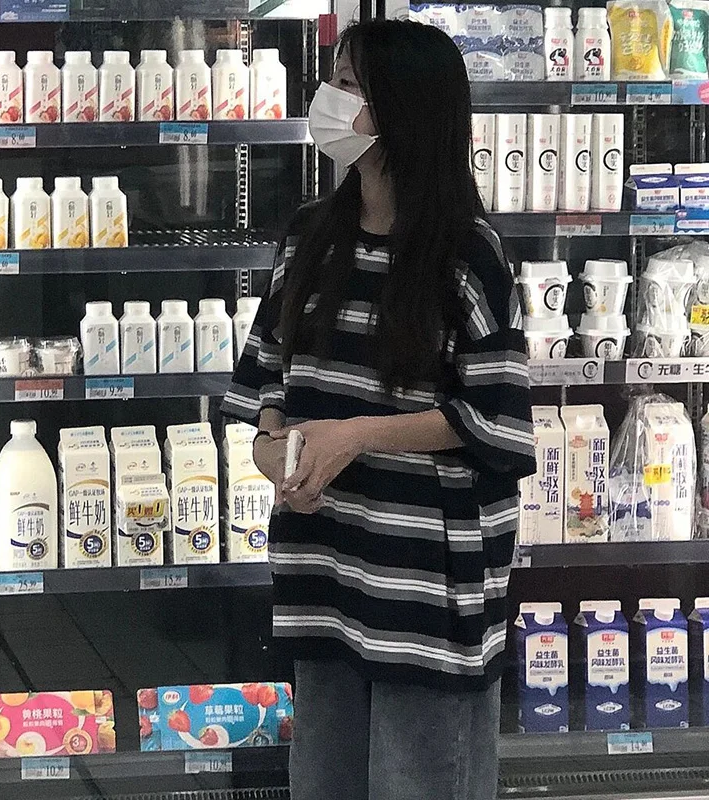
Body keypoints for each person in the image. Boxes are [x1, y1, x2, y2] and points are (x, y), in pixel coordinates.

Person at [221, 18, 536, 800]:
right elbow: (266, 385)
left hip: (425, 586)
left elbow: (496, 420)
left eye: (348, 85)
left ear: (403, 108)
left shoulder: (467, 253)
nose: (327, 98)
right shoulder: (310, 236)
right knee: (324, 778)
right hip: (325, 567)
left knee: (419, 778)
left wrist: (356, 437)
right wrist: (276, 455)